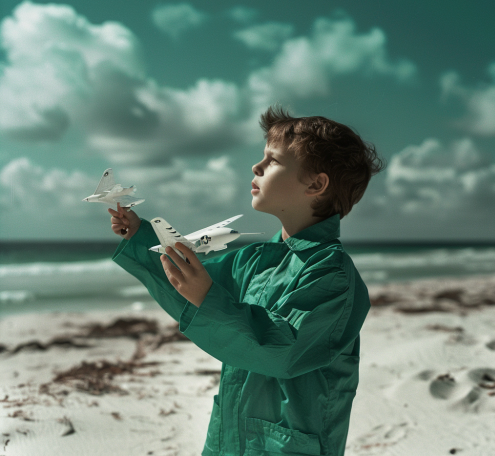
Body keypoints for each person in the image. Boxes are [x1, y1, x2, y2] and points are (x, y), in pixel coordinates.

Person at [109, 105, 386, 456]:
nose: (256, 167)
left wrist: (207, 297)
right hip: (231, 435)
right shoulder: (254, 259)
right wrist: (138, 235)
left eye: (273, 160)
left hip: (289, 445)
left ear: (316, 185)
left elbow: (284, 352)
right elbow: (190, 286)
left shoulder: (333, 276)